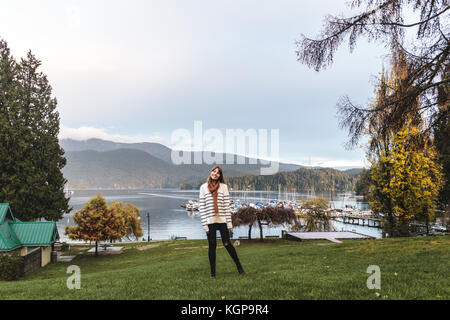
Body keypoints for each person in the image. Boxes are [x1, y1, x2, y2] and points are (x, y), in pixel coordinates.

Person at [199, 166, 245, 278]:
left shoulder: (224, 187)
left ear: (220, 176)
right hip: (210, 222)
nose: (215, 174)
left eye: (218, 173)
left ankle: (239, 267)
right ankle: (213, 273)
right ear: (210, 172)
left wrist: (229, 225)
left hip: (222, 221)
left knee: (227, 244)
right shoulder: (203, 187)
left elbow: (226, 207)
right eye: (213, 171)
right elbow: (202, 207)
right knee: (212, 246)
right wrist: (205, 226)